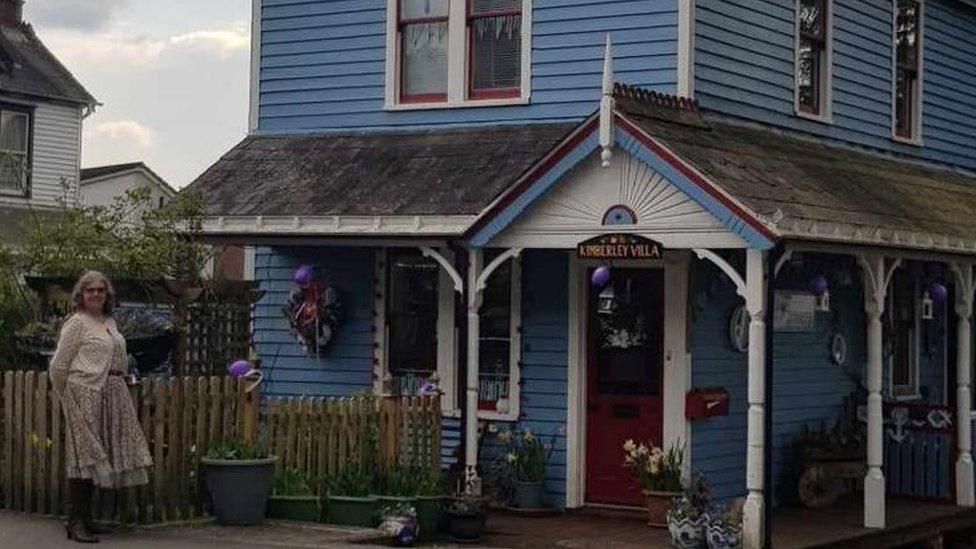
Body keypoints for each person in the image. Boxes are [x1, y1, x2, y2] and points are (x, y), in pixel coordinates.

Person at [49, 271, 153, 543]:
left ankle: (88, 519)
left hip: (112, 392)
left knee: (101, 456)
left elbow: (117, 358)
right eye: (90, 290)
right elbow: (58, 366)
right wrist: (68, 397)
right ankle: (75, 523)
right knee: (86, 456)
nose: (96, 294)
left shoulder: (109, 321)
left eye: (101, 290)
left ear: (107, 295)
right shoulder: (76, 324)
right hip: (85, 392)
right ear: (81, 295)